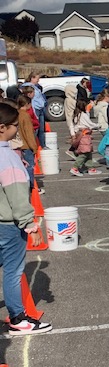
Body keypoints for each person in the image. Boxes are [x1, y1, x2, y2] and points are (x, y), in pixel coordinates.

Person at [0, 103, 52, 335]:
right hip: (9, 224)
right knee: (13, 271)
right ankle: (18, 318)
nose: (16, 130)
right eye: (13, 126)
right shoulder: (7, 158)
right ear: (2, 128)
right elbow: (17, 195)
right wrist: (29, 223)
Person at [69, 99, 101, 177]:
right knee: (84, 152)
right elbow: (89, 124)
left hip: (80, 134)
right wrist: (98, 125)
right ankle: (75, 167)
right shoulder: (83, 115)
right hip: (84, 135)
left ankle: (91, 168)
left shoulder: (77, 114)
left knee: (88, 152)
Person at [16, 95, 38, 190]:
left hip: (18, 145)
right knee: (30, 166)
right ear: (27, 104)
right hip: (26, 145)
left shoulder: (16, 114)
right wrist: (34, 147)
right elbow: (29, 133)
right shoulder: (25, 115)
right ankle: (31, 186)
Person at [21, 73, 47, 149]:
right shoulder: (28, 86)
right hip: (35, 108)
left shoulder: (36, 87)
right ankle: (33, 145)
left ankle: (43, 145)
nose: (38, 80)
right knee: (36, 128)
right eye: (37, 78)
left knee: (42, 129)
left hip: (40, 108)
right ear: (32, 78)